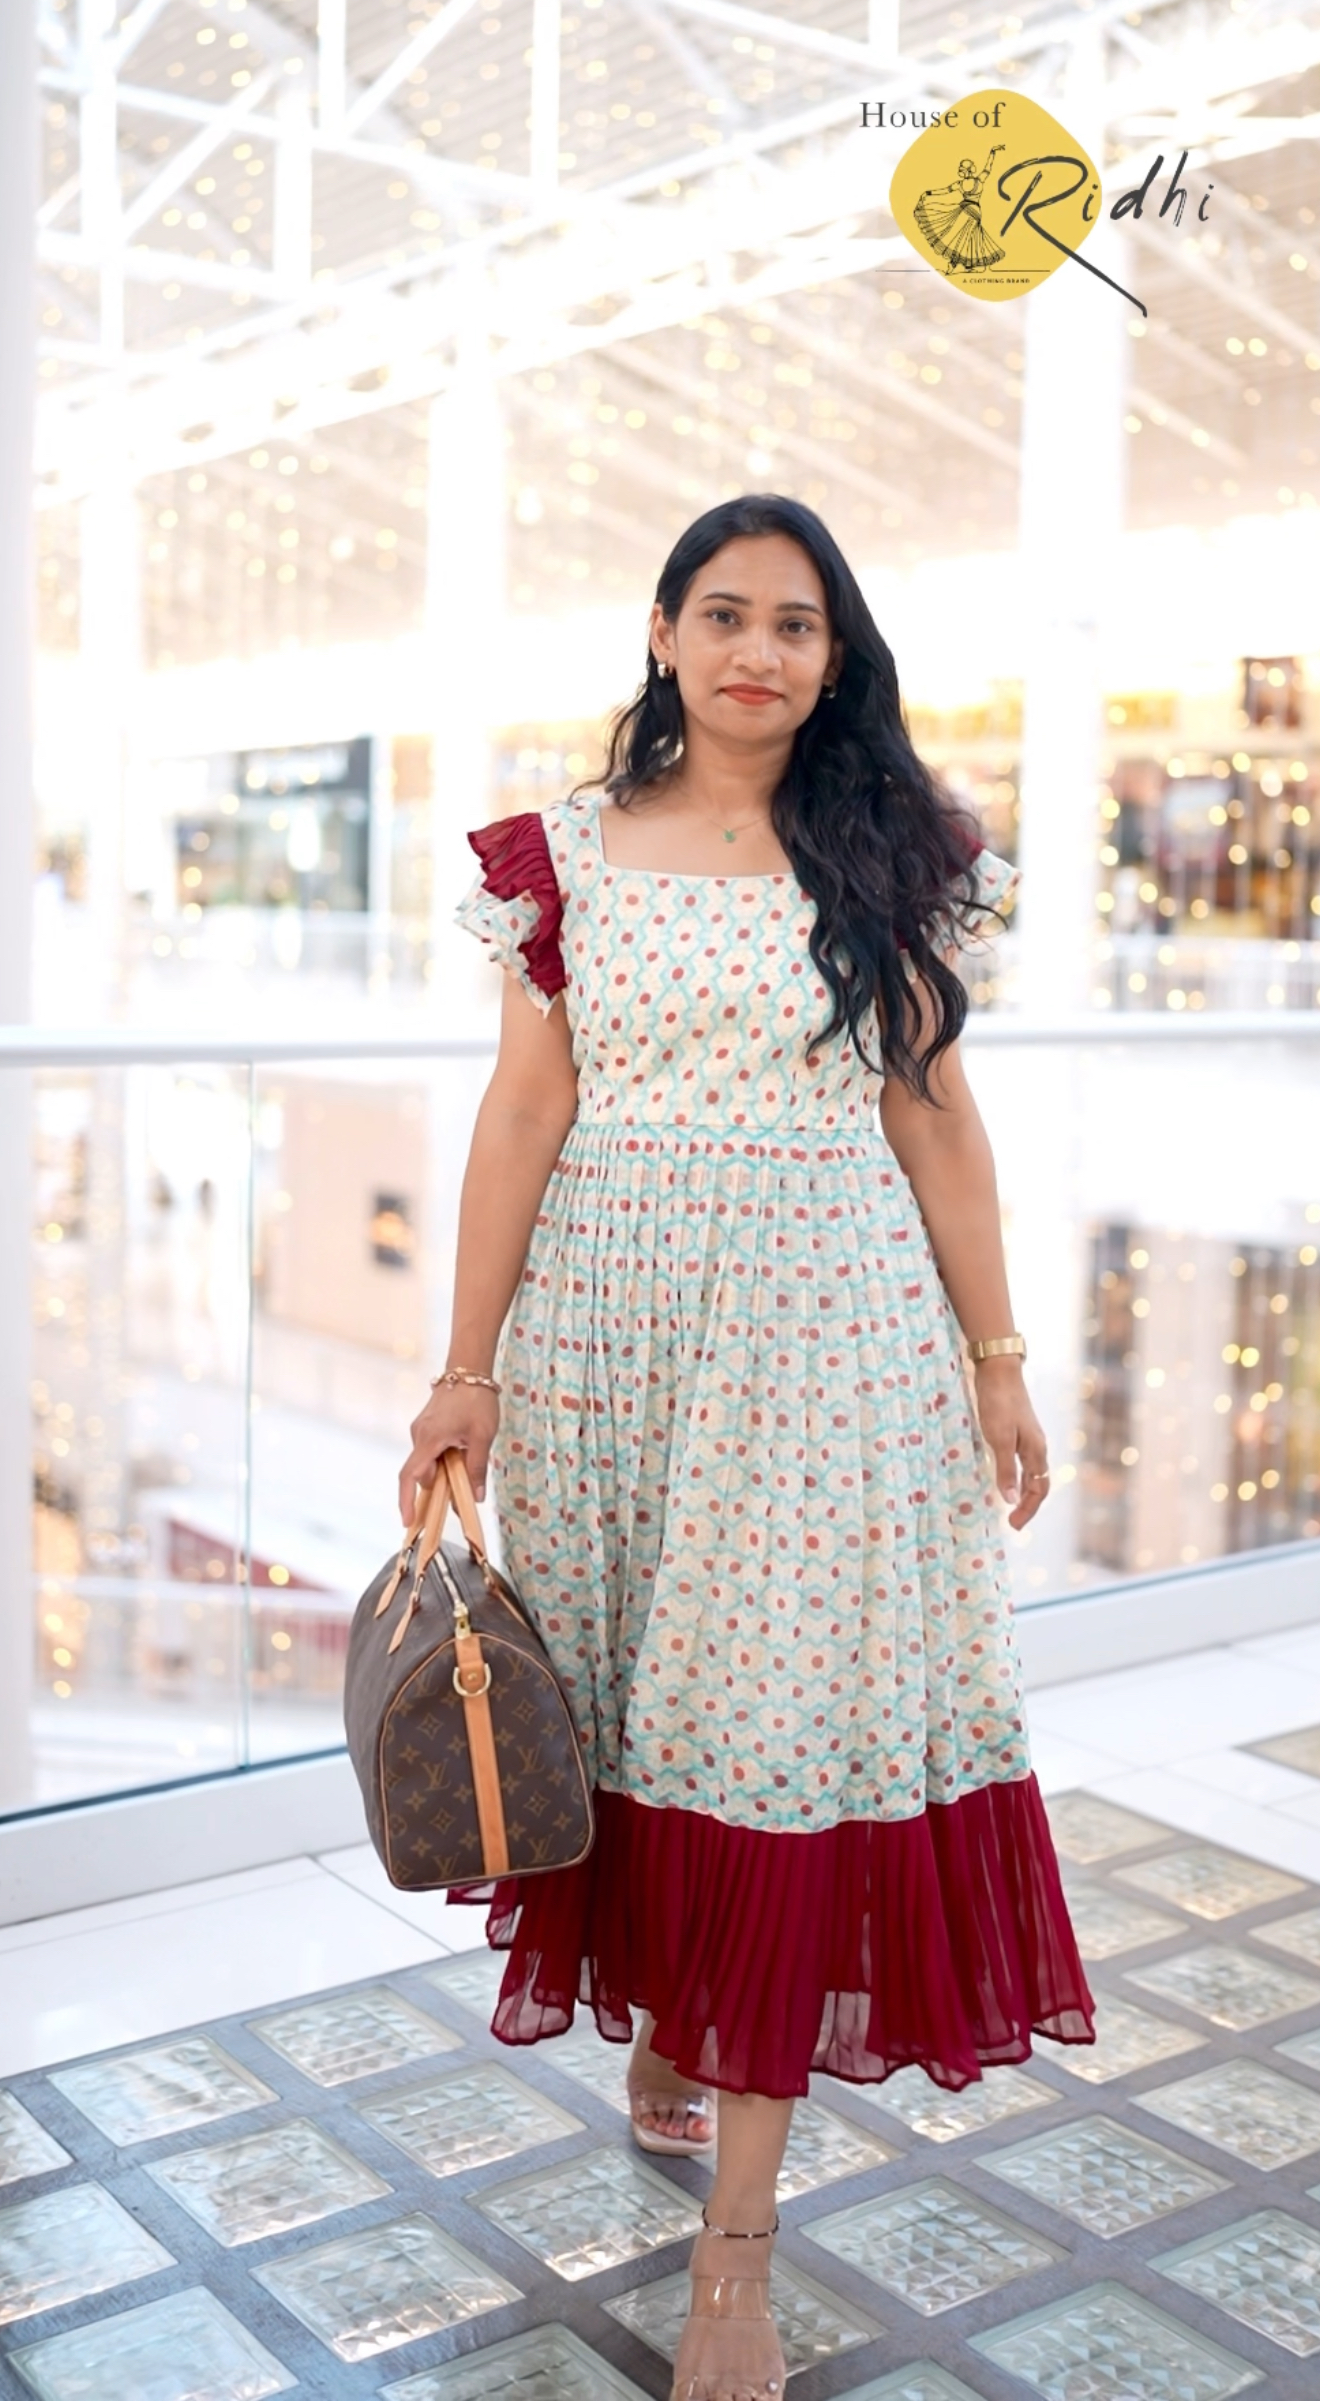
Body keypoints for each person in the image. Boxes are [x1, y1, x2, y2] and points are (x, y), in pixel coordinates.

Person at [400, 494, 1094, 2401]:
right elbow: (521, 1115)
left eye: (798, 623)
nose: (758, 652)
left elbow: (937, 1119)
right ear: (660, 632)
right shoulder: (560, 857)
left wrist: (1001, 1353)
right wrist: (464, 1366)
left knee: (779, 1737)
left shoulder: (890, 856)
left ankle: (739, 2259)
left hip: (826, 1350)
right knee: (633, 1709)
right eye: (726, 614)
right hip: (609, 1350)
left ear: (837, 655)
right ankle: (667, 2009)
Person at [914, 144, 1005, 271]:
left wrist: (927, 193)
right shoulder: (980, 180)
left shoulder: (959, 184)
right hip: (975, 211)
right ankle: (959, 263)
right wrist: (992, 152)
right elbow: (988, 168)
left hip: (964, 210)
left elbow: (944, 191)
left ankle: (962, 264)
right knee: (968, 237)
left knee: (964, 236)